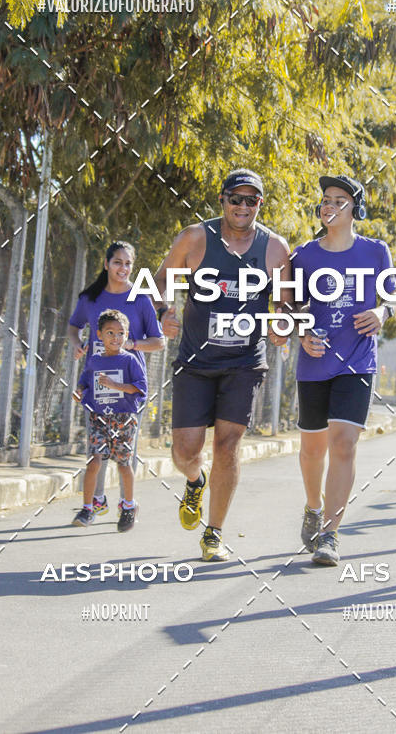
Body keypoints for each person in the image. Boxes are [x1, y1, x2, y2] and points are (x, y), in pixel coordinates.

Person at [152, 169, 291, 561]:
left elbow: (286, 301)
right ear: (223, 200)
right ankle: (195, 481)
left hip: (245, 361)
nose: (243, 206)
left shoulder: (274, 248)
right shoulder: (195, 239)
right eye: (236, 198)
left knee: (227, 446)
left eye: (252, 200)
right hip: (196, 360)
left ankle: (213, 533)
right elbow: (160, 281)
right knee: (184, 452)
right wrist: (164, 310)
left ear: (260, 205)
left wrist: (283, 320)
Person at [290, 174, 396, 567]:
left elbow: (392, 296)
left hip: (357, 361)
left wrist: (382, 312)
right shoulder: (303, 256)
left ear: (356, 209)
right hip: (315, 362)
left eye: (339, 199)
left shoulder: (375, 252)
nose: (329, 204)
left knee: (344, 444)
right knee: (312, 449)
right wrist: (302, 333)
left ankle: (331, 535)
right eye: (325, 199)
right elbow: (294, 307)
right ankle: (313, 507)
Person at [68, 241, 164, 519]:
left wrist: (130, 345)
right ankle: (96, 501)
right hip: (98, 384)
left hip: (131, 385)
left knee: (124, 449)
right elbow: (74, 325)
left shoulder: (141, 299)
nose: (123, 268)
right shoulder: (90, 298)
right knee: (96, 447)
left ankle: (127, 506)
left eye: (128, 264)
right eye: (117, 262)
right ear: (106, 264)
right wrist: (76, 343)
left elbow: (158, 342)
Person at [72, 310, 147, 532]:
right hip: (99, 418)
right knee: (94, 462)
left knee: (124, 465)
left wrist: (115, 385)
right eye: (110, 333)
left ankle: (128, 506)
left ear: (126, 335)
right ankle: (87, 508)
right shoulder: (94, 361)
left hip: (124, 420)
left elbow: (139, 387)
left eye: (121, 333)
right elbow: (85, 381)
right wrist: (79, 391)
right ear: (99, 335)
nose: (116, 337)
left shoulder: (130, 360)